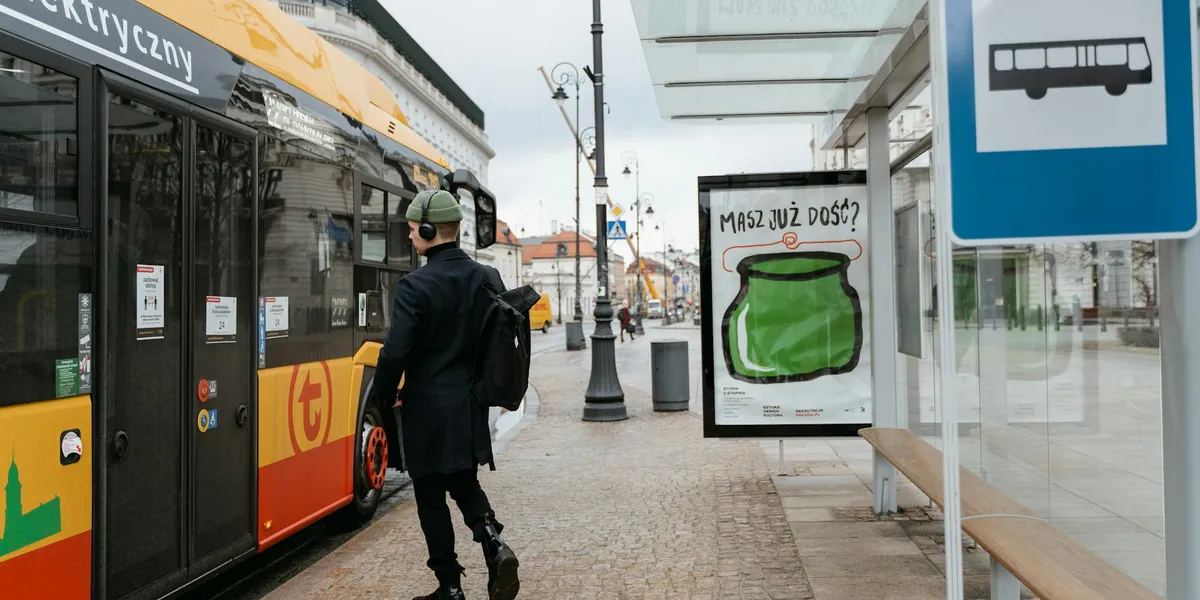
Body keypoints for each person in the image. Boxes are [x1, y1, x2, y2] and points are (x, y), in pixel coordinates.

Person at [372, 189, 520, 600]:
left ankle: (450, 587)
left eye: (411, 230)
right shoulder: (487, 277)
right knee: (464, 481)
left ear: (428, 229)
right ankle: (493, 541)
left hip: (426, 407)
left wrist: (384, 393)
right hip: (470, 403)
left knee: (430, 495)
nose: (409, 237)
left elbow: (396, 351)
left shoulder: (414, 286)